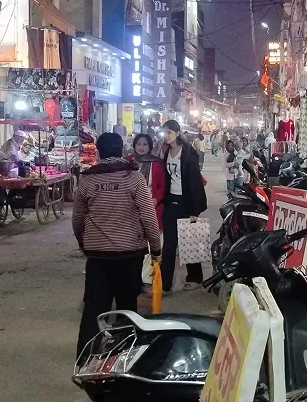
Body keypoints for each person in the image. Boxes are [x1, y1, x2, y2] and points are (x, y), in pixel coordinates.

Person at [73, 132, 160, 353]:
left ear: (99, 152)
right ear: (122, 150)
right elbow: (148, 216)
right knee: (127, 306)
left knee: (94, 307)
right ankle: (124, 353)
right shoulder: (133, 178)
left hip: (98, 255)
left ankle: (86, 355)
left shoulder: (87, 180)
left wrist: (84, 244)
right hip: (129, 254)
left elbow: (78, 219)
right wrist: (156, 248)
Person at [160, 120, 208, 293]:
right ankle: (165, 284)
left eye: (169, 133)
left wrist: (194, 210)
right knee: (169, 244)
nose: (166, 136)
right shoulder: (166, 152)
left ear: (178, 133)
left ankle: (195, 277)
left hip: (186, 202)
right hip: (170, 202)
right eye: (164, 132)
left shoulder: (188, 153)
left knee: (189, 241)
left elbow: (194, 182)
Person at [127, 133, 165, 227]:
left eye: (145, 144)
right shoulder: (127, 161)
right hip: (128, 207)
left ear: (150, 146)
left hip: (150, 206)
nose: (141, 147)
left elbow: (162, 186)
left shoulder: (156, 163)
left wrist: (156, 200)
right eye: (138, 144)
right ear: (134, 145)